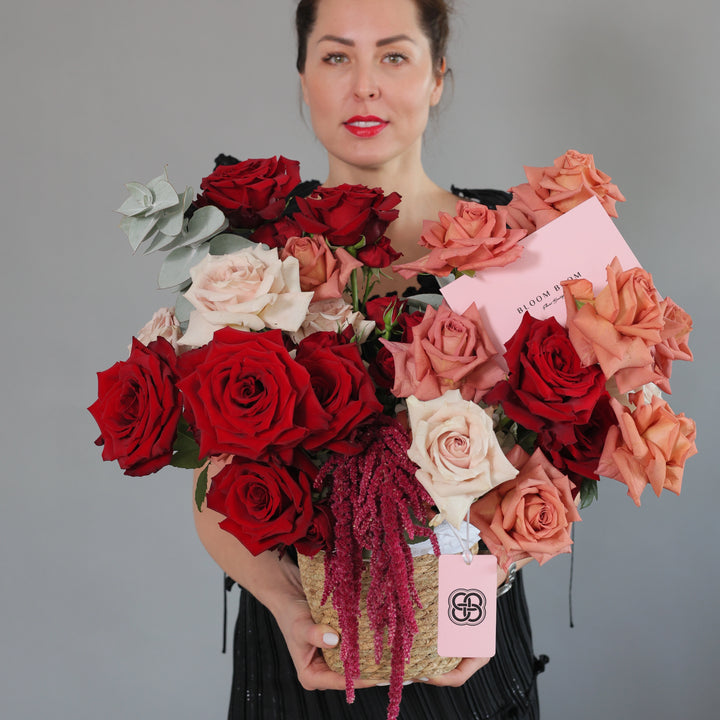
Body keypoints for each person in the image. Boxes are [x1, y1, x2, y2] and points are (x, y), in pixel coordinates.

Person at [194, 0, 545, 717]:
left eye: (393, 55)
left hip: (468, 662)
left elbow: (553, 473)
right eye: (334, 56)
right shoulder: (251, 262)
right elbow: (212, 486)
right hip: (305, 659)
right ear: (302, 75)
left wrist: (470, 613)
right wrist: (290, 609)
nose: (364, 86)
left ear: (437, 76)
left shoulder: (513, 246)